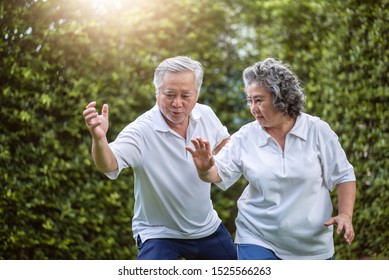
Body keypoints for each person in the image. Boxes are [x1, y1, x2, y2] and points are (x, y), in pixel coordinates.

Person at [186, 57, 357, 260]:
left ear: (281, 98)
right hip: (257, 238)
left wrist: (346, 215)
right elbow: (217, 174)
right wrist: (205, 167)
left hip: (312, 246)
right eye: (250, 101)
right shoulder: (246, 136)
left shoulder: (317, 131)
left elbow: (343, 176)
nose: (253, 108)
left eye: (258, 100)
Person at [82, 56, 237, 260]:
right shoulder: (141, 130)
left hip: (206, 228)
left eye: (185, 95)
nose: (177, 103)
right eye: (169, 94)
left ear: (197, 94)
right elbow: (108, 164)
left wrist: (212, 162)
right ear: (157, 92)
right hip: (159, 233)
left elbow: (223, 142)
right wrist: (99, 139)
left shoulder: (205, 115)